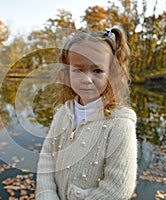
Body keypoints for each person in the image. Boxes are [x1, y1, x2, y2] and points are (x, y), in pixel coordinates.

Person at [36, 27, 137, 200]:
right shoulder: (63, 113)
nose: (86, 79)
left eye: (97, 71)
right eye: (78, 70)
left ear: (111, 74)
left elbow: (118, 189)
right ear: (67, 72)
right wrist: (47, 195)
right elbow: (47, 159)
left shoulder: (119, 123)